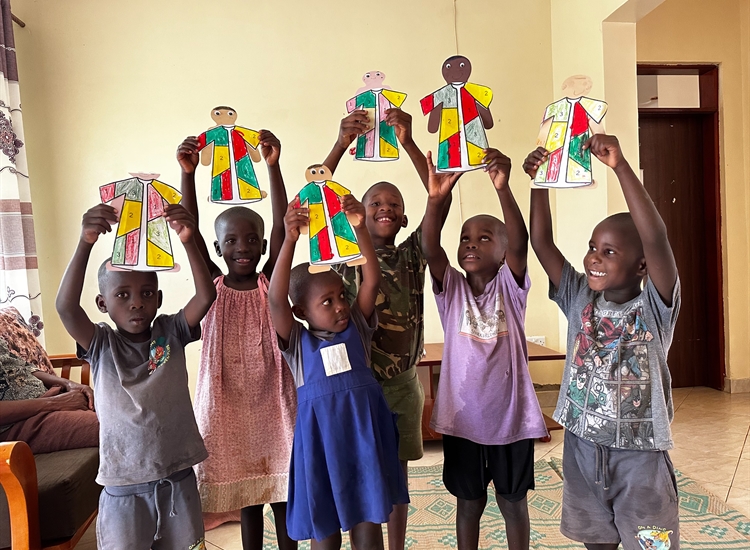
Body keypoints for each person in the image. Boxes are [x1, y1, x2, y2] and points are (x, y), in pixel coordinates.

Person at [526, 134, 681, 550]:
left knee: (651, 544)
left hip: (640, 458)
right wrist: (539, 181)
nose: (594, 257)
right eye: (593, 247)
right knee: (596, 542)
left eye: (609, 252)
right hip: (581, 448)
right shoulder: (580, 298)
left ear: (641, 265)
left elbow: (658, 239)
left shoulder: (654, 307)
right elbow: (541, 244)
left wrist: (621, 166)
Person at [55, 200, 216, 550]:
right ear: (103, 304)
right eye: (122, 295)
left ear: (158, 298)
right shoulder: (101, 345)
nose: (136, 303)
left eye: (146, 294)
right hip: (124, 486)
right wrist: (85, 241)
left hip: (178, 478)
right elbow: (65, 307)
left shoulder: (169, 333)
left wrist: (189, 240)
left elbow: (207, 295)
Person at [323, 107, 447, 549]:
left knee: (397, 474)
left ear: (404, 217)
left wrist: (410, 143)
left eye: (394, 205)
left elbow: (439, 199)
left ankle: (396, 545)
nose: (385, 209)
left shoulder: (415, 252)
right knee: (362, 470)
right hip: (355, 385)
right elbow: (319, 197)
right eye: (376, 202)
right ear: (359, 210)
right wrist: (340, 145)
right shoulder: (341, 252)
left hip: (401, 385)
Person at [422, 147, 548, 550]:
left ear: (504, 251)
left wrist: (503, 187)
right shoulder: (452, 289)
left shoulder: (510, 288)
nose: (471, 244)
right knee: (468, 504)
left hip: (510, 421)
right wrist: (436, 200)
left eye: (484, 237)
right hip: (463, 422)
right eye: (465, 238)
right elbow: (429, 246)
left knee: (513, 503)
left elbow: (521, 241)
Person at [177, 131, 297, 550]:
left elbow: (285, 231)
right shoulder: (211, 285)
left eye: (251, 240)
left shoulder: (271, 284)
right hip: (227, 404)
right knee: (247, 498)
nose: (242, 248)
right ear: (217, 247)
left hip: (273, 399)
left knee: (283, 492)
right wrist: (186, 175)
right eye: (231, 241)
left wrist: (273, 166)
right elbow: (186, 228)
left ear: (264, 245)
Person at [268, 194, 408, 550]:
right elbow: (274, 298)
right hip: (321, 444)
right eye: (326, 302)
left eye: (340, 296)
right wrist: (290, 240)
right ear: (301, 311)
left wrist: (361, 228)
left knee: (367, 516)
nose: (340, 305)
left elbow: (371, 280)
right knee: (324, 525)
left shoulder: (357, 327)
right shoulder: (296, 343)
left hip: (363, 437)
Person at [0, 332, 98, 454]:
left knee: (119, 408)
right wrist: (55, 403)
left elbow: (24, 368)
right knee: (117, 424)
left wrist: (68, 384)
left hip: (47, 397)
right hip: (15, 423)